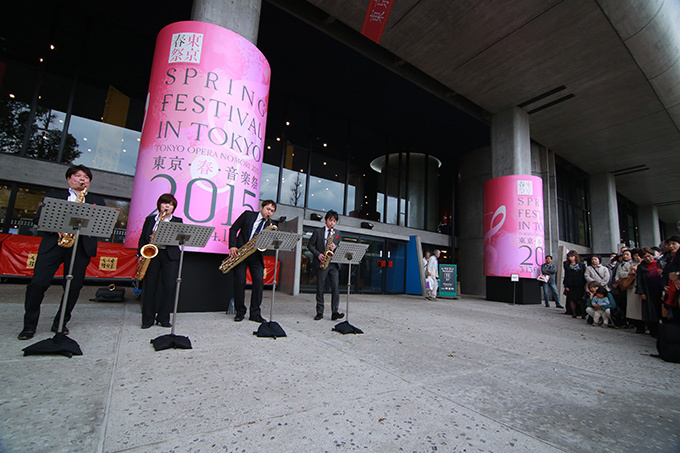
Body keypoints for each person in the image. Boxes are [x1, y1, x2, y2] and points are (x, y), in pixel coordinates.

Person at [18, 165, 107, 340]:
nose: (82, 179)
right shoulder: (54, 195)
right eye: (78, 176)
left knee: (73, 287)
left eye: (86, 177)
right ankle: (29, 325)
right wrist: (55, 228)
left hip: (80, 246)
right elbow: (38, 219)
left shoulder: (96, 200)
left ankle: (60, 322)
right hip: (54, 243)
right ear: (69, 179)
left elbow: (101, 224)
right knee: (38, 283)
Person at [138, 193, 183, 329]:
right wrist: (140, 253)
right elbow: (143, 237)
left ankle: (163, 318)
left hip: (170, 256)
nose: (167, 206)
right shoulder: (150, 219)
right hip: (152, 255)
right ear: (159, 205)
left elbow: (178, 239)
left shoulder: (177, 221)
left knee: (169, 287)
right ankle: (147, 319)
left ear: (174, 207)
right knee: (150, 287)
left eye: (170, 204)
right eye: (164, 203)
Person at [229, 199, 277, 323]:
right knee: (239, 282)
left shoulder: (270, 225)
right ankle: (240, 312)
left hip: (256, 255)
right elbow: (233, 229)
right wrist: (233, 246)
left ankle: (255, 313)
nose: (269, 212)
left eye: (272, 211)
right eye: (268, 209)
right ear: (261, 207)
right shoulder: (248, 215)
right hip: (241, 253)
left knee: (259, 283)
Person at [307, 210, 343, 320]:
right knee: (320, 288)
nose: (332, 223)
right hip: (322, 262)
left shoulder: (338, 234)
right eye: (330, 220)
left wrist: (335, 247)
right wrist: (318, 255)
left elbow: (340, 247)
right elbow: (310, 245)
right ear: (326, 220)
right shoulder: (318, 232)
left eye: (334, 221)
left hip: (333, 264)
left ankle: (335, 312)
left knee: (335, 288)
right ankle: (319, 312)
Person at [635, 247, 663, 337]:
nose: (648, 258)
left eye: (649, 256)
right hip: (648, 291)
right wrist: (641, 292)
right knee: (650, 311)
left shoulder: (661, 263)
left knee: (662, 310)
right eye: (645, 257)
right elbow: (639, 280)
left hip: (661, 289)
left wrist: (662, 273)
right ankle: (654, 331)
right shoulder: (641, 267)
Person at [563, 250, 586, 317]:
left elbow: (584, 274)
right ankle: (573, 313)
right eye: (569, 257)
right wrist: (566, 285)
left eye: (572, 256)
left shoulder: (581, 265)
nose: (571, 258)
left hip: (580, 284)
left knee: (581, 299)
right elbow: (566, 275)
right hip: (571, 284)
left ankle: (582, 313)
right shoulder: (567, 265)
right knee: (572, 299)